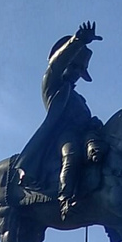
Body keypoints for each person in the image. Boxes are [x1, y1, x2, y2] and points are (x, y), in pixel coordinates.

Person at [17, 22, 106, 220]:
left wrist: (94, 125)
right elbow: (55, 66)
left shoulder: (79, 100)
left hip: (84, 136)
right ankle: (65, 200)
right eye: (74, 67)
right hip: (62, 136)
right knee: (71, 154)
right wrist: (78, 41)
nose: (76, 74)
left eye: (80, 71)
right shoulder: (53, 86)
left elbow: (85, 121)